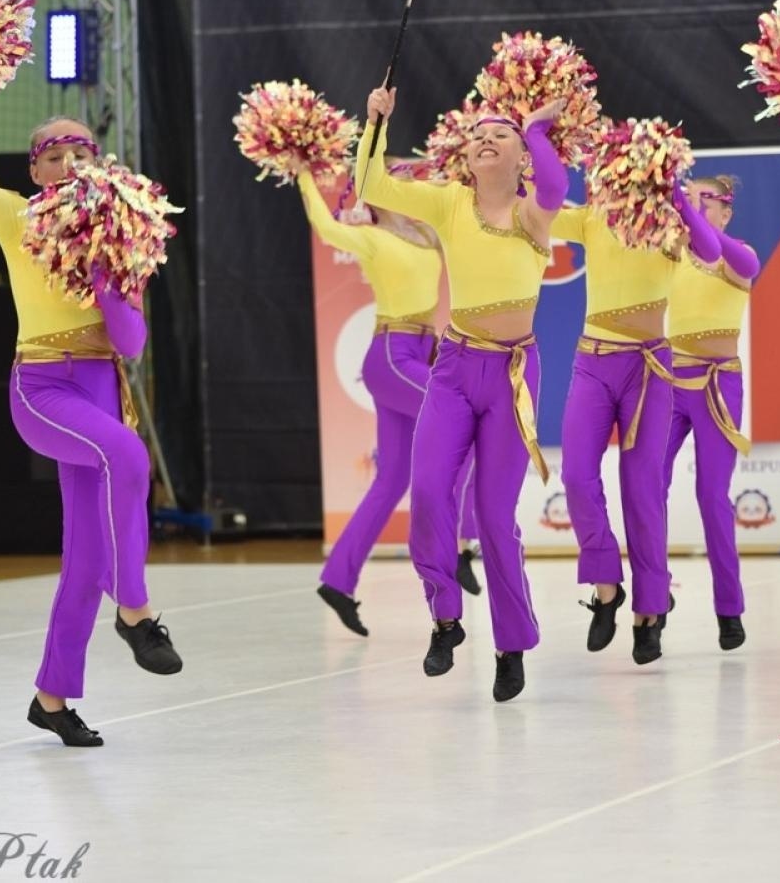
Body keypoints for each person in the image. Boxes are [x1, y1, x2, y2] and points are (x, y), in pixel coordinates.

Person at [0, 108, 181, 748]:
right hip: (43, 387)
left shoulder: (124, 234)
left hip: (101, 385)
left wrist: (105, 278)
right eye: (53, 155)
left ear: (98, 163)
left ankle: (52, 698)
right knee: (127, 456)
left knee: (85, 558)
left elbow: (130, 343)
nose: (68, 164)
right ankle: (136, 610)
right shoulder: (18, 218)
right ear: (34, 170)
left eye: (81, 152)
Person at [354, 86, 565, 702]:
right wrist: (377, 123)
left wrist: (537, 130)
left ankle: (511, 645)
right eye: (476, 135)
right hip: (452, 368)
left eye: (498, 134)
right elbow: (372, 184)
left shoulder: (533, 213)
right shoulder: (449, 204)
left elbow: (553, 184)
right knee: (427, 493)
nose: (483, 139)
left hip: (512, 376)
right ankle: (445, 617)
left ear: (520, 155)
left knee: (496, 518)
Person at [299, 165, 482, 636]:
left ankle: (338, 581)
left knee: (394, 477)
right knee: (464, 420)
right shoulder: (374, 238)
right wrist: (302, 172)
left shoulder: (428, 235)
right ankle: (461, 544)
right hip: (392, 354)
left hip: (419, 350)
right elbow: (324, 226)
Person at [554, 178, 724, 664]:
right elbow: (539, 204)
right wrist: (535, 141)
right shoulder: (590, 218)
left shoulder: (670, 227)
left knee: (643, 489)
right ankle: (606, 585)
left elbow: (710, 252)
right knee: (576, 476)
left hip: (648, 369)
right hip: (593, 362)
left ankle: (650, 612)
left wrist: (678, 200)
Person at [660, 174, 761, 651]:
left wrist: (691, 214)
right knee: (646, 485)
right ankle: (652, 597)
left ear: (727, 211)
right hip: (668, 382)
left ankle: (729, 608)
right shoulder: (669, 254)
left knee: (711, 495)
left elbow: (734, 259)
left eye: (707, 200)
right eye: (690, 199)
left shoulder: (737, 256)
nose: (696, 207)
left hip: (718, 384)